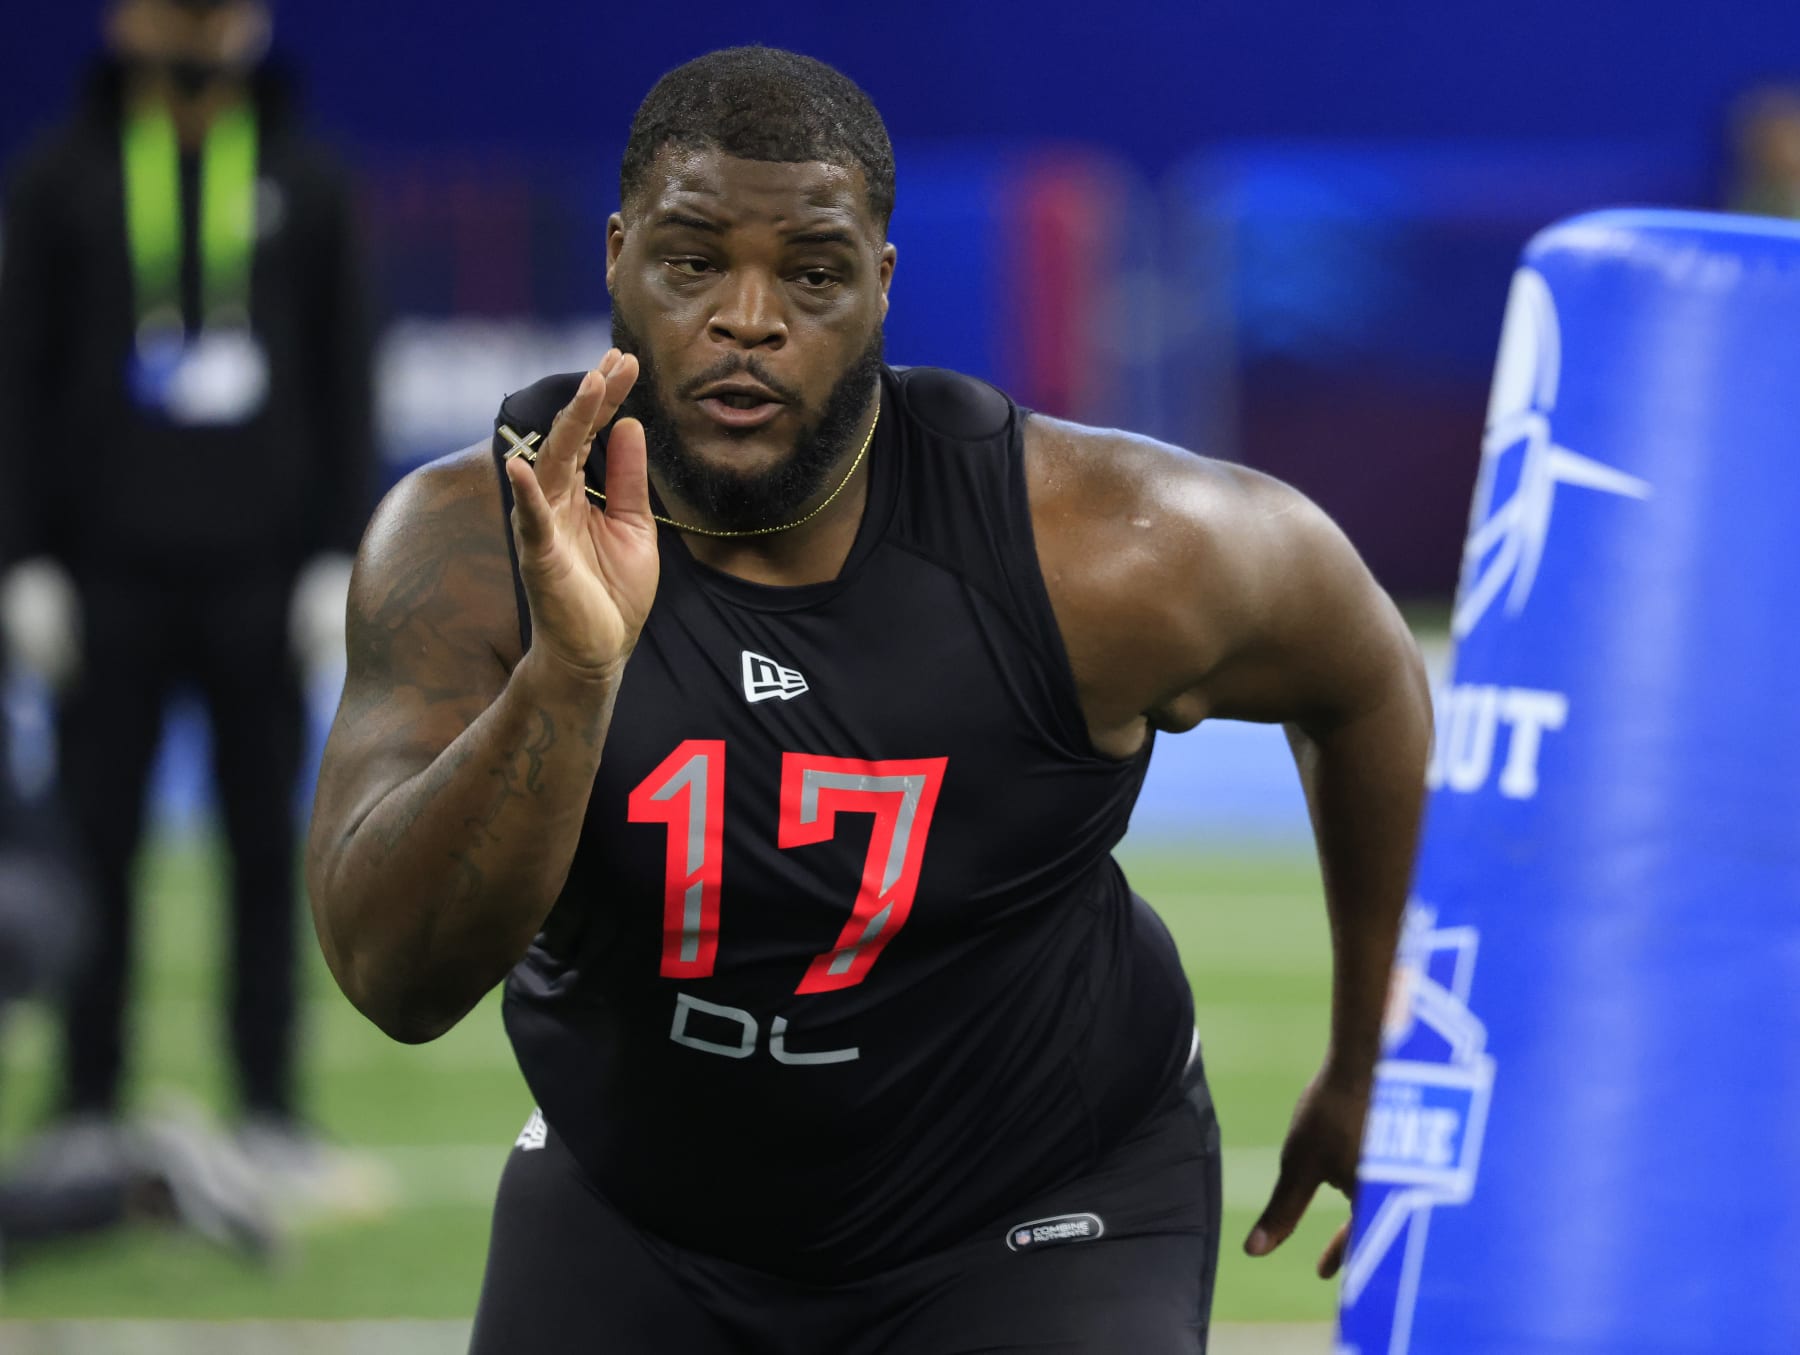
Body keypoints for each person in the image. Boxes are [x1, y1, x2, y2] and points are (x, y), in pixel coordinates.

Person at [306, 47, 1431, 1354]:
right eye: (691, 262)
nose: (749, 317)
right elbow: (397, 976)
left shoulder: (1092, 544)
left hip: (1036, 1205)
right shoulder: (473, 540)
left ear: (883, 287)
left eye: (813, 273)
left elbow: (1366, 672)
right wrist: (571, 671)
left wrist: (1372, 1053)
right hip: (642, 1205)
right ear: (616, 258)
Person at [0, 0, 375, 1192]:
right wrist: (21, 559)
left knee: (270, 849)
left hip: (261, 580)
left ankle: (271, 1106)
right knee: (94, 844)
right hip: (104, 575)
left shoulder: (311, 183)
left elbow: (346, 374)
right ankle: (84, 1108)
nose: (197, 31)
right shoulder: (60, 183)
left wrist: (337, 554)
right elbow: (16, 375)